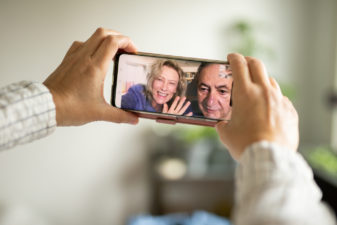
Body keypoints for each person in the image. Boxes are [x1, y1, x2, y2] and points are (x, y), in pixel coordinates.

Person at [0, 28, 335, 225]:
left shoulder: (187, 107)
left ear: (178, 87)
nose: (211, 99)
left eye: (171, 83)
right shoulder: (135, 94)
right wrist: (267, 149)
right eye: (158, 80)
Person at [121, 59, 192, 116]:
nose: (164, 88)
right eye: (160, 79)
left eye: (171, 83)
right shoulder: (137, 93)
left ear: (176, 89)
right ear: (152, 81)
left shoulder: (181, 108)